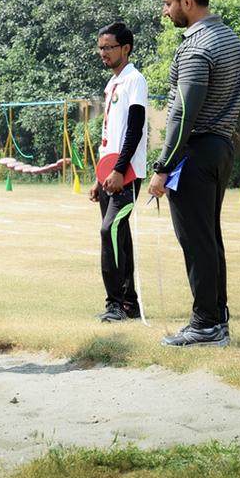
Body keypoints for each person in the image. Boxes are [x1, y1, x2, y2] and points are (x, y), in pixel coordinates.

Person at [148, 0, 240, 347]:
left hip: (195, 152)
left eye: (169, 2)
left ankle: (205, 326)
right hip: (221, 149)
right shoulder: (230, 39)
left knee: (197, 241)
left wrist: (163, 167)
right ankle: (216, 320)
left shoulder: (197, 45)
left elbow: (183, 113)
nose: (165, 10)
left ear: (187, 2)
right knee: (209, 240)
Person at [88, 22, 148, 323]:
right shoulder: (112, 84)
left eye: (108, 47)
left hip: (126, 175)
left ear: (125, 48)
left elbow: (134, 130)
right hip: (109, 176)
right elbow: (109, 136)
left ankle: (116, 304)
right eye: (100, 47)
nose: (103, 52)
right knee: (119, 237)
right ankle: (129, 304)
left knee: (108, 230)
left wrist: (119, 171)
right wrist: (100, 179)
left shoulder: (135, 80)